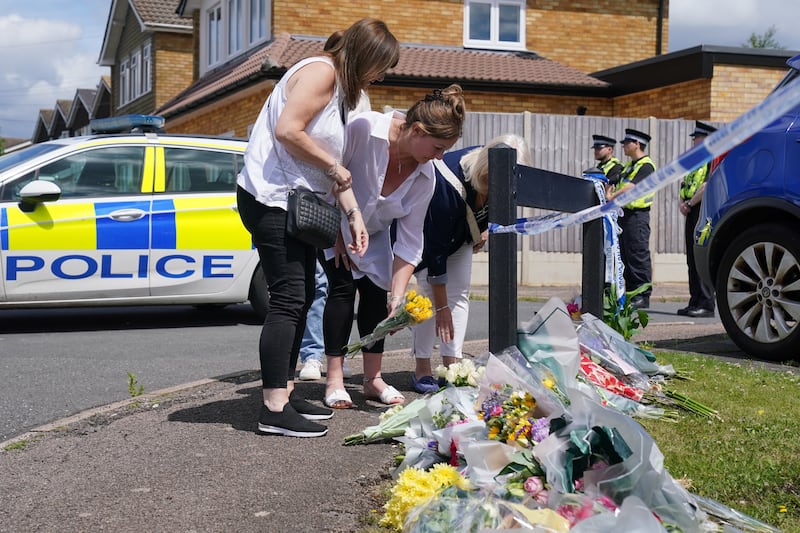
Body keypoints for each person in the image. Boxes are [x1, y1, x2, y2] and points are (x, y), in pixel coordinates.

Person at [236, 18, 399, 438]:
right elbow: (288, 130)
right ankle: (273, 408)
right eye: (380, 67)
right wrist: (333, 167)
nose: (382, 76)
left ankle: (285, 393)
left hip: (297, 203)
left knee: (304, 293)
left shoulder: (343, 93)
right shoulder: (322, 71)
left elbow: (330, 169)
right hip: (271, 198)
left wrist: (353, 215)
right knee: (289, 297)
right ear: (364, 58)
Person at [322, 85, 466, 409]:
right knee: (342, 290)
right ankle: (334, 378)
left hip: (373, 235)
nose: (440, 157)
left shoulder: (426, 177)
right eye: (438, 147)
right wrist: (334, 234)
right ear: (417, 130)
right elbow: (327, 174)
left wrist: (397, 295)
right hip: (334, 220)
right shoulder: (364, 130)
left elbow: (411, 240)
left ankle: (372, 380)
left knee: (377, 297)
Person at [410, 134, 531, 393]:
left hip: (461, 237)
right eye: (489, 183)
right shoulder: (448, 182)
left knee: (460, 296)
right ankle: (422, 367)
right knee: (430, 299)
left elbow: (499, 211)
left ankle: (451, 365)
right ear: (484, 171)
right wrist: (442, 307)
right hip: (427, 238)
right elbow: (436, 251)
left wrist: (483, 229)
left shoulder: (504, 173)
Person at [606, 128, 656, 309]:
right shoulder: (629, 166)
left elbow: (631, 187)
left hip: (638, 217)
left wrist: (613, 196)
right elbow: (617, 180)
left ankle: (642, 295)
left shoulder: (646, 165)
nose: (624, 146)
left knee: (638, 255)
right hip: (625, 215)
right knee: (626, 257)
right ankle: (631, 293)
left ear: (637, 144)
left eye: (627, 143)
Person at [677, 121, 717, 318]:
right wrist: (683, 202)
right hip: (691, 209)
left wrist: (690, 204)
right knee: (691, 258)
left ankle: (707, 304)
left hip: (702, 209)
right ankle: (695, 301)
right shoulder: (697, 161)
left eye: (697, 137)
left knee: (701, 255)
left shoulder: (712, 159)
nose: (694, 140)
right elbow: (686, 183)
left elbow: (707, 185)